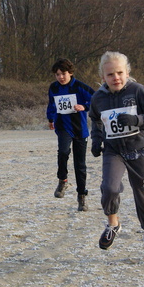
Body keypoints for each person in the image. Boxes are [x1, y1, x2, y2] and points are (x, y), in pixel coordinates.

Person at [89, 51, 144, 263]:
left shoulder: (138, 91)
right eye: (110, 74)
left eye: (120, 72)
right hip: (113, 151)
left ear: (127, 72)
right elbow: (95, 119)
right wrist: (96, 140)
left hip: (138, 152)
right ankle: (113, 224)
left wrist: (137, 119)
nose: (116, 78)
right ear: (103, 77)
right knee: (109, 189)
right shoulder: (98, 98)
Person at [46, 58, 95, 211]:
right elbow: (51, 104)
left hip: (80, 129)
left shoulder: (79, 86)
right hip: (63, 127)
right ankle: (63, 180)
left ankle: (82, 196)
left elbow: (96, 98)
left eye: (63, 73)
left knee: (80, 165)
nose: (60, 77)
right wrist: (50, 118)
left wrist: (84, 106)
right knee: (63, 152)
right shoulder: (53, 88)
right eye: (57, 74)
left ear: (71, 73)